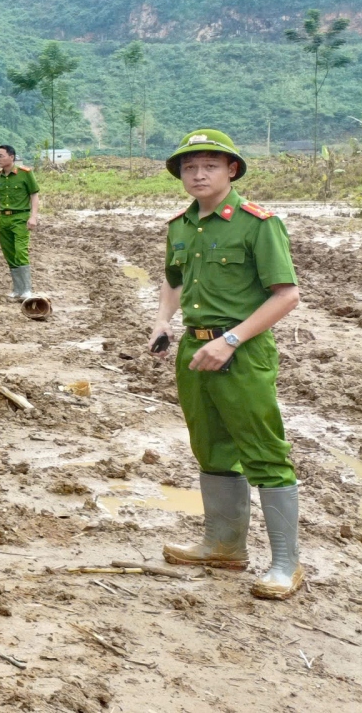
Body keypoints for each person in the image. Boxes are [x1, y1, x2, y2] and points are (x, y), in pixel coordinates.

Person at [149, 130, 303, 599]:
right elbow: (173, 280)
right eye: (189, 168)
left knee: (263, 451)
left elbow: (287, 295)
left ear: (231, 170)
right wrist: (161, 321)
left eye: (209, 166)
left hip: (241, 351)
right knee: (211, 447)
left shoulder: (257, 224)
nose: (198, 175)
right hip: (193, 352)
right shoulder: (180, 225)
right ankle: (223, 545)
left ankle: (284, 565)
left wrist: (232, 340)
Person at [0, 144, 41, 299]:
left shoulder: (25, 174)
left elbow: (34, 196)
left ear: (11, 157)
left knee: (20, 251)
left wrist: (33, 216)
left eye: (1, 156)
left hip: (20, 218)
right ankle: (17, 289)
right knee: (9, 253)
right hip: (4, 219)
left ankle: (27, 290)